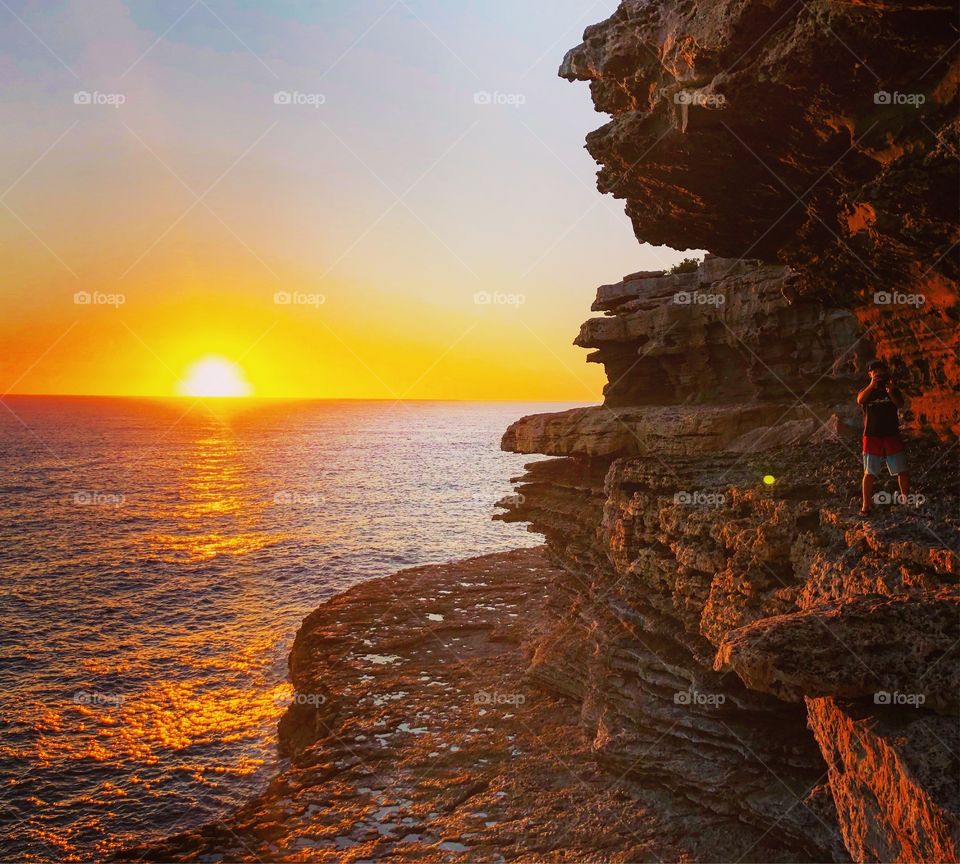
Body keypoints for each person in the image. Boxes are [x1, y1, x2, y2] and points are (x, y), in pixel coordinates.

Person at [857, 360, 909, 515]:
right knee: (869, 472)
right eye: (875, 372)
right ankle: (866, 505)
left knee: (902, 470)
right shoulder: (867, 391)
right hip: (872, 436)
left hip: (891, 434)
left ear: (886, 372)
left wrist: (891, 391)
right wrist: (872, 385)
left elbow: (899, 404)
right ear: (870, 374)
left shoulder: (892, 389)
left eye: (881, 371)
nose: (878, 374)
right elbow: (859, 400)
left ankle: (906, 502)